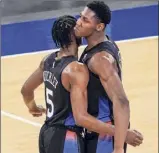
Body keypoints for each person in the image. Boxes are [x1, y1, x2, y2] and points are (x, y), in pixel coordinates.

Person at [21, 15, 143, 153]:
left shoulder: (47, 60)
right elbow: (81, 118)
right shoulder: (76, 69)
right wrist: (122, 133)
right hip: (66, 138)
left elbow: (26, 90)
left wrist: (33, 107)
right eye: (77, 27)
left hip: (46, 134)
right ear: (73, 36)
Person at [74, 1, 143, 153]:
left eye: (85, 20)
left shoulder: (100, 60)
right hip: (100, 130)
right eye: (80, 17)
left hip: (104, 135)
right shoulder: (99, 45)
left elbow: (122, 101)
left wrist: (118, 147)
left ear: (99, 26)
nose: (78, 22)